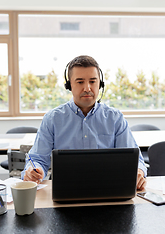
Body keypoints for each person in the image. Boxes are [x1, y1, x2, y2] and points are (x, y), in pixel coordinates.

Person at [21, 55, 147, 190]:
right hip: (66, 191)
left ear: (100, 84)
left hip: (109, 190)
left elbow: (135, 161)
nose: (87, 88)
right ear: (69, 85)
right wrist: (33, 171)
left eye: (93, 81)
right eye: (80, 82)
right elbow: (37, 159)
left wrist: (139, 172)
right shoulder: (52, 119)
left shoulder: (115, 118)